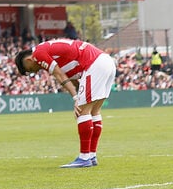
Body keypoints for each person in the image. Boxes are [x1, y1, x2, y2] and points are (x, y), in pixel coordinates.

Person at [14, 38, 116, 168]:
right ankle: (91, 155)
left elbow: (60, 75)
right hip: (105, 62)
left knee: (82, 113)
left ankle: (84, 157)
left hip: (94, 64)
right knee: (94, 111)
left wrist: (76, 98)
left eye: (29, 70)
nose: (33, 72)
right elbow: (70, 78)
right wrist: (78, 95)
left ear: (28, 60)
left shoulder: (38, 54)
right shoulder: (48, 53)